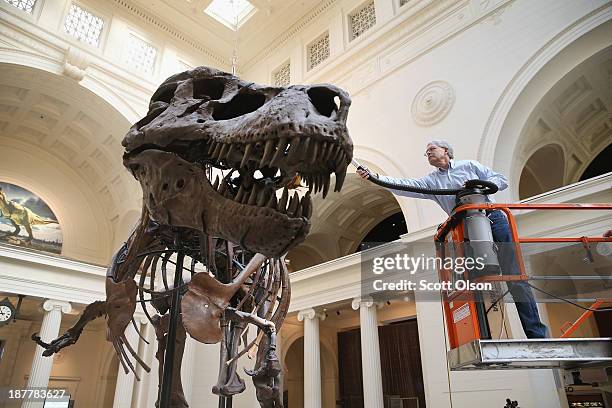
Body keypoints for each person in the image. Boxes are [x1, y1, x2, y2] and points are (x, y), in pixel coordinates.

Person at [357, 140, 548, 339]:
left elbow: (501, 180)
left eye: (431, 149)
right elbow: (406, 186)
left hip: (493, 218)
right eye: (426, 152)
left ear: (446, 151)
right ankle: (484, 335)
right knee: (473, 282)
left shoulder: (469, 166)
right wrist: (374, 178)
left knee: (514, 273)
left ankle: (537, 334)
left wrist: (483, 186)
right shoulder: (431, 182)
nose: (428, 153)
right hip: (464, 229)